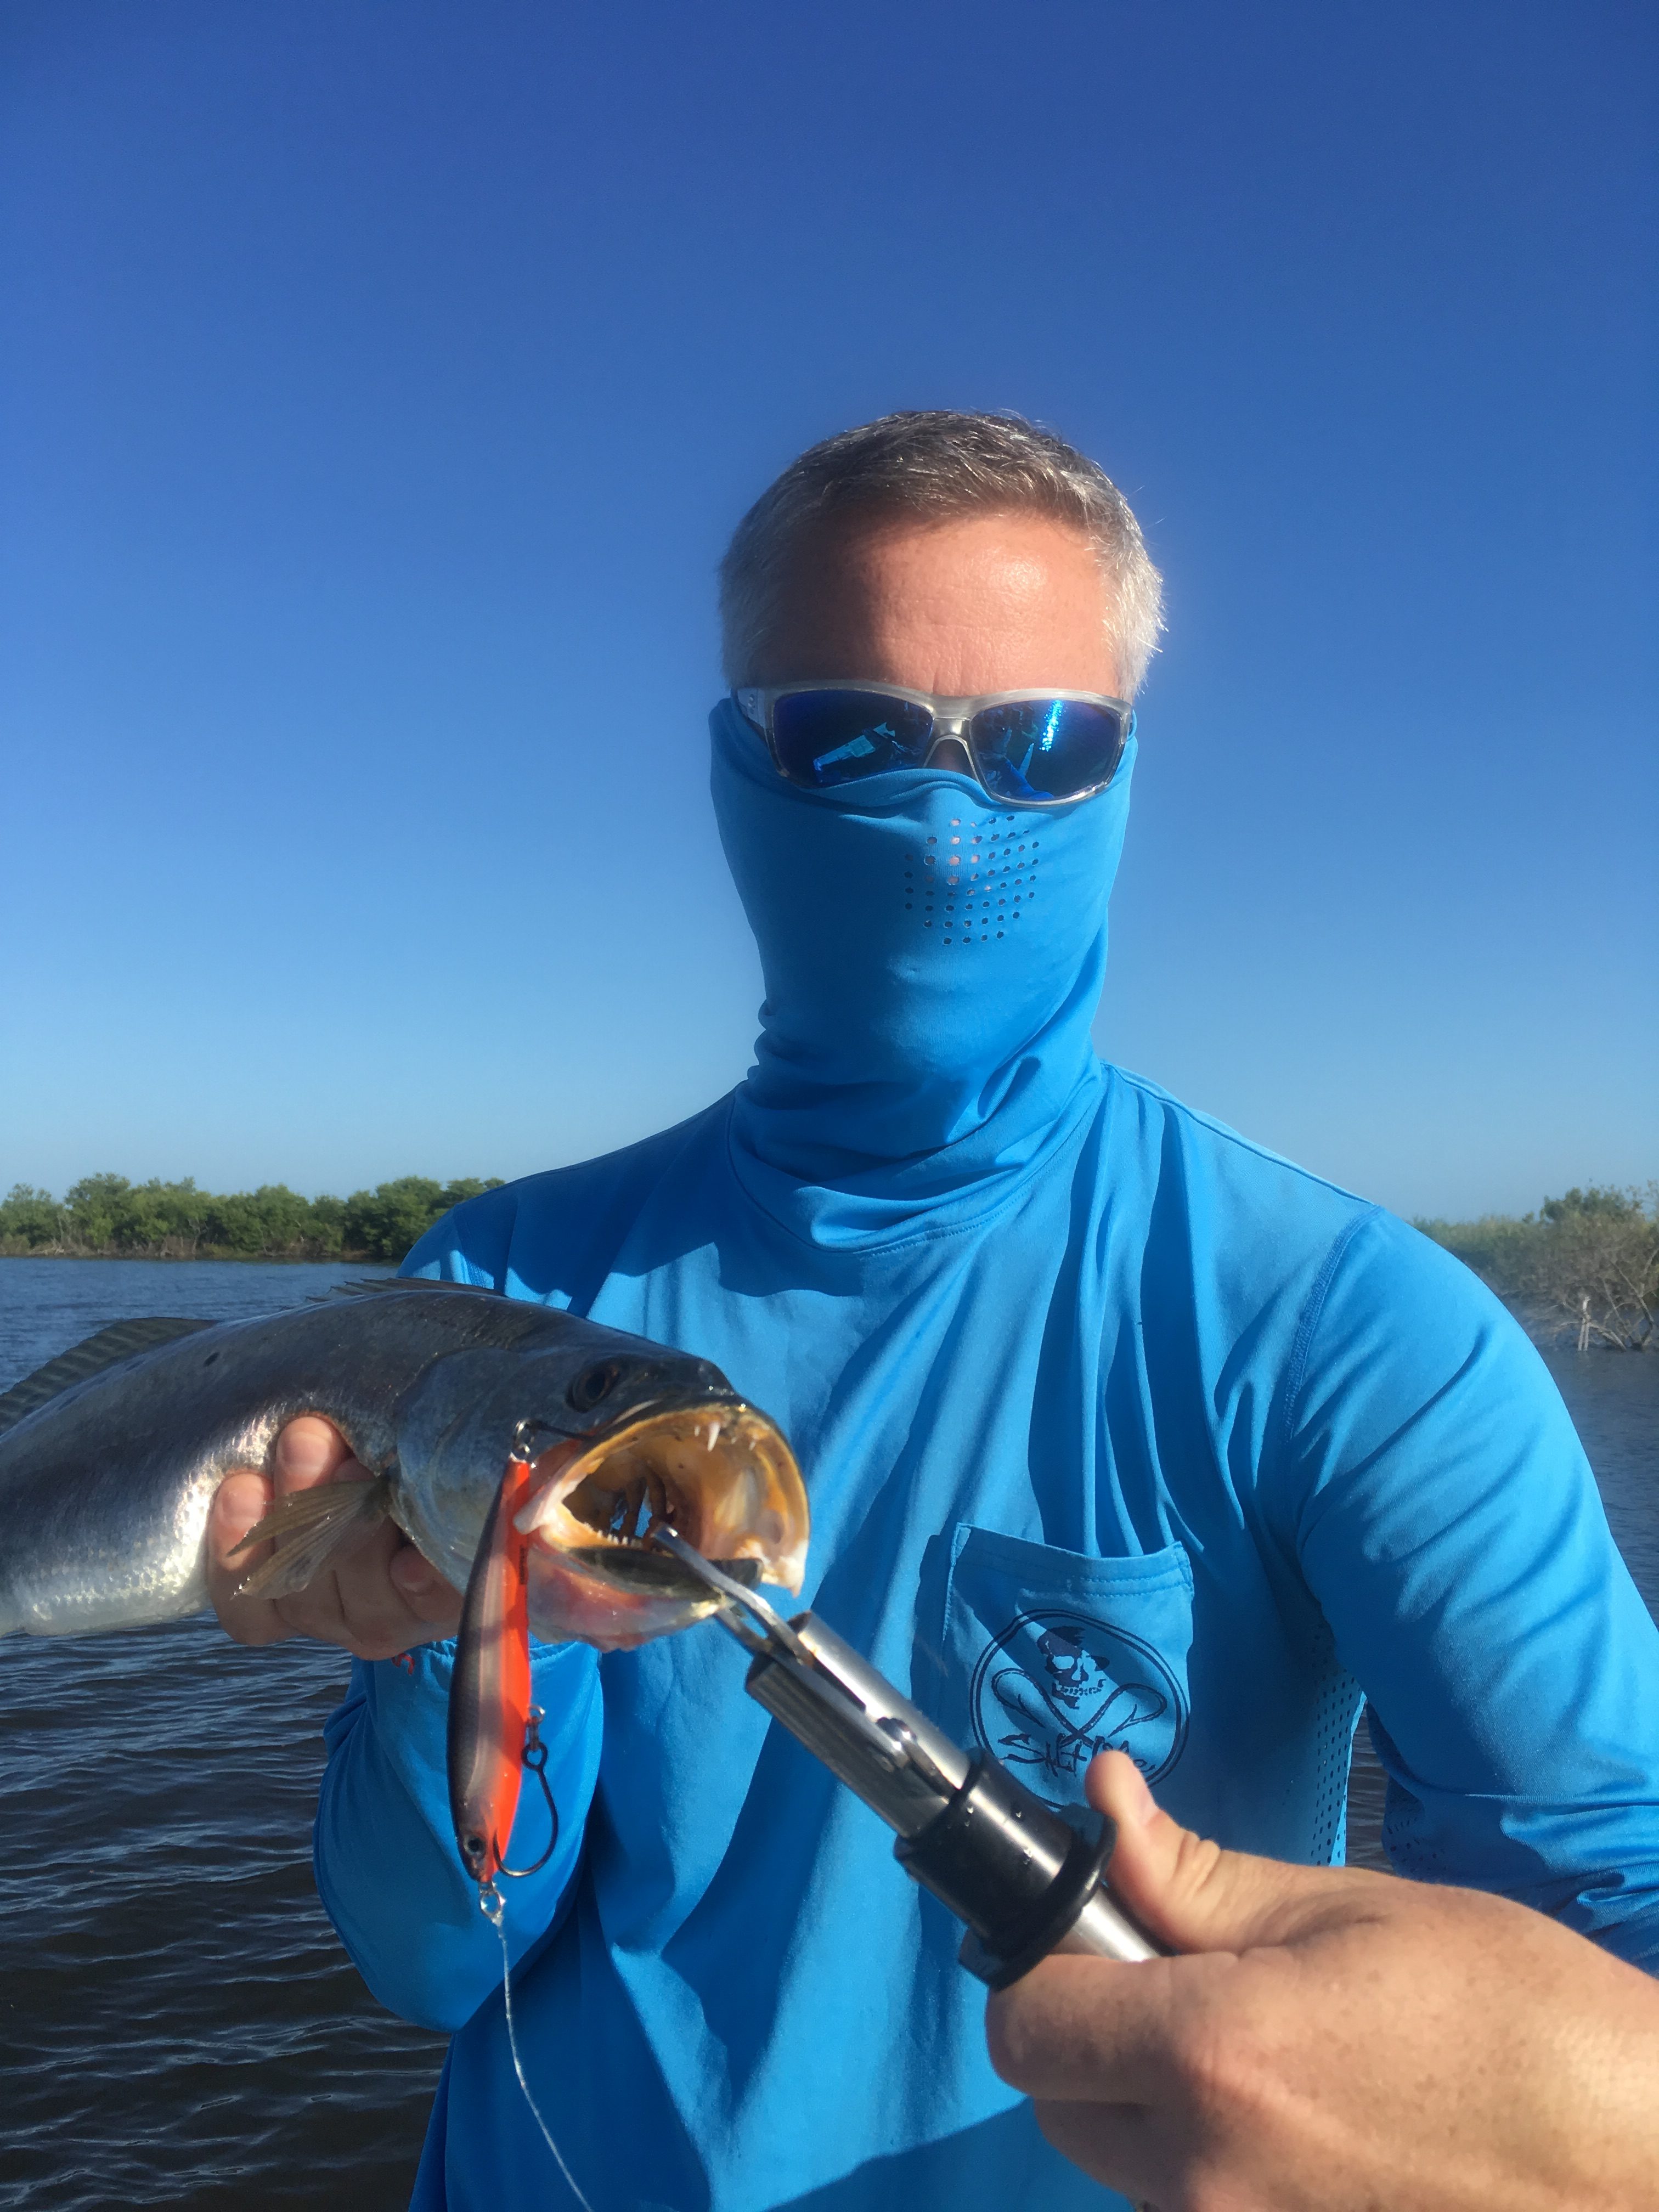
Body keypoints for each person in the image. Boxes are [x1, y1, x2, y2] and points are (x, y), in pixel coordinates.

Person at [210, 411, 1659, 2212]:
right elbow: (429, 1959)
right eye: (848, 736)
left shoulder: (1351, 1329)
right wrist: (450, 1616)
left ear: (1124, 772)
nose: (947, 818)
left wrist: (1603, 2118)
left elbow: (1607, 1885)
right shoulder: (502, 1295)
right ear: (739, 761)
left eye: (1042, 747)